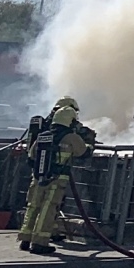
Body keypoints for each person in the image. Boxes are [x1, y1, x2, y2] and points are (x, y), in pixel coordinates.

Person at [17, 97, 96, 254]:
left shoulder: (44, 135)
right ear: (70, 121)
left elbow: (32, 156)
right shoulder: (71, 137)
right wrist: (90, 144)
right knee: (48, 208)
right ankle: (40, 242)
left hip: (39, 176)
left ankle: (25, 239)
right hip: (57, 179)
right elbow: (83, 152)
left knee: (33, 206)